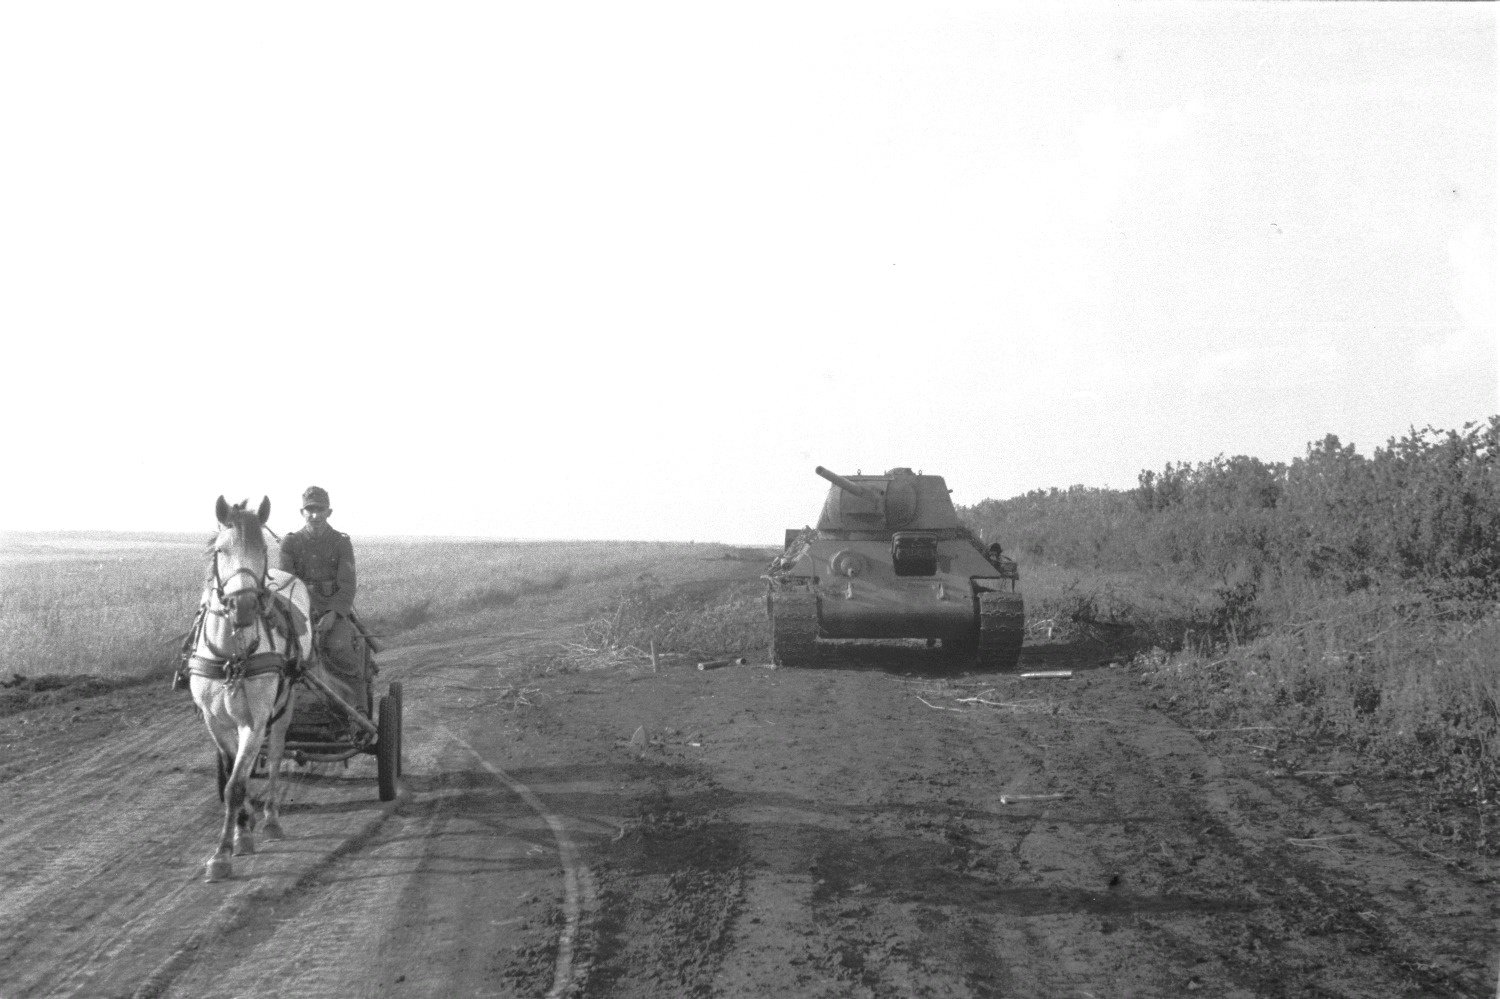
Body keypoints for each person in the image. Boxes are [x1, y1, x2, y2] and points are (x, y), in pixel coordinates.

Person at [276, 486, 372, 713]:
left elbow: (347, 585)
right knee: (278, 655)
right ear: (302, 512)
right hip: (299, 612)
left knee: (340, 650)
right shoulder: (290, 543)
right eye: (310, 509)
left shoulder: (340, 543)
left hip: (332, 613)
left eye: (320, 509)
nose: (315, 515)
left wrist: (334, 614)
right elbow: (286, 585)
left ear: (329, 512)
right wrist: (300, 615)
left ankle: (358, 713)